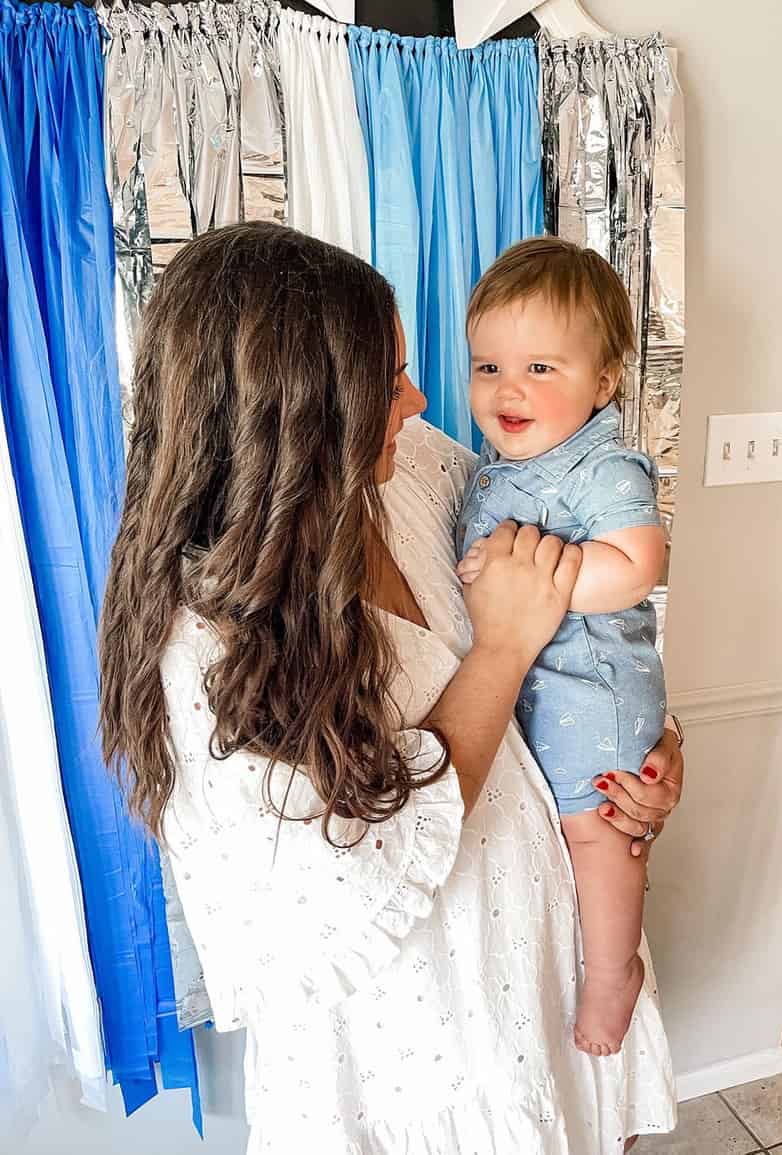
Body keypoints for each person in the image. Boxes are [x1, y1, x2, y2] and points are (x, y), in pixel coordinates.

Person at [98, 222, 681, 1155]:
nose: (417, 398)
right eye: (388, 379)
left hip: (545, 964)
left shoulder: (419, 471)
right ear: (295, 419)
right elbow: (345, 890)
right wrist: (501, 650)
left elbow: (584, 621)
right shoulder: (203, 645)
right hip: (422, 1049)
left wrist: (650, 744)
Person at [456, 237, 666, 1057]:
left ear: (604, 382)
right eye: (488, 366)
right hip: (544, 691)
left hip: (595, 693)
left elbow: (637, 563)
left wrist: (540, 577)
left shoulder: (603, 465)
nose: (509, 389)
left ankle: (614, 970)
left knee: (596, 828)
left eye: (542, 369)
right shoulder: (491, 464)